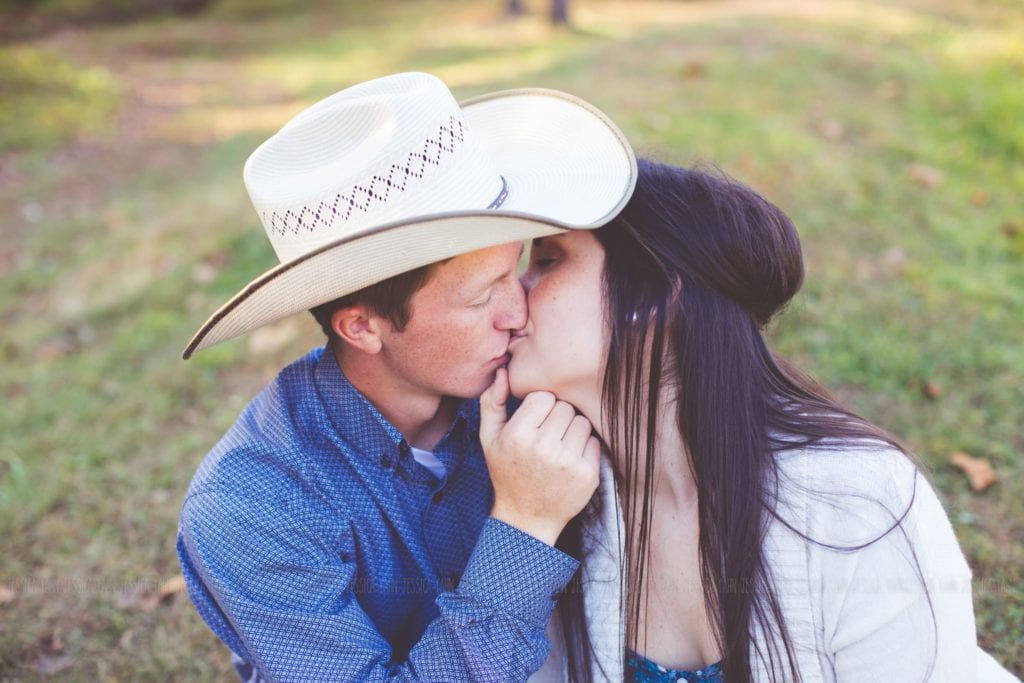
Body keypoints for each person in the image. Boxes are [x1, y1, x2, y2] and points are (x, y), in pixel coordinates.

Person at [175, 71, 637, 681]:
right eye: (481, 297)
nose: (519, 312)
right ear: (362, 327)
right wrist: (525, 524)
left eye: (516, 268)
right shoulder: (252, 509)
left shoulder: (533, 381)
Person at [490, 158, 1019, 681]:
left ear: (654, 296)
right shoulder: (540, 485)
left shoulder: (858, 503)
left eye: (549, 261)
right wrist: (522, 526)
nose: (514, 299)